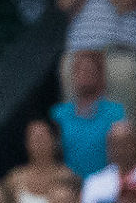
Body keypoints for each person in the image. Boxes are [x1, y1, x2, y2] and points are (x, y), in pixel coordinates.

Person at [50, 50, 127, 180]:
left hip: (106, 183)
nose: (83, 76)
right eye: (79, 71)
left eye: (89, 71)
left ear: (101, 76)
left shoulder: (116, 113)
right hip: (68, 184)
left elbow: (123, 155)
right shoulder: (59, 114)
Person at [3, 117, 81, 203]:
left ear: (54, 140)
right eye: (33, 139)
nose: (39, 143)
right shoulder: (15, 178)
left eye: (42, 137)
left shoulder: (68, 176)